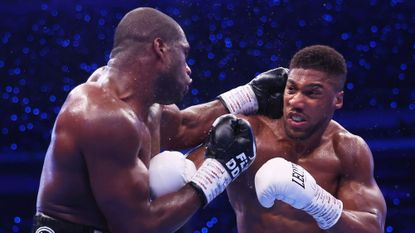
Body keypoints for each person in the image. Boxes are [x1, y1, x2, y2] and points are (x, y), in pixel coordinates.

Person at [32, 7, 287, 233]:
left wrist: (251, 95)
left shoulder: (144, 102)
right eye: (184, 54)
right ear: (160, 47)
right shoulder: (103, 115)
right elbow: (137, 226)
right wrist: (217, 173)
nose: (188, 69)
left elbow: (184, 127)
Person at [179, 45, 386, 233]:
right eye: (292, 89)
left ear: (337, 99)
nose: (296, 102)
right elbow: (180, 181)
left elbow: (372, 227)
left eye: (312, 93)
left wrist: (317, 201)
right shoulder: (247, 133)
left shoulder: (347, 149)